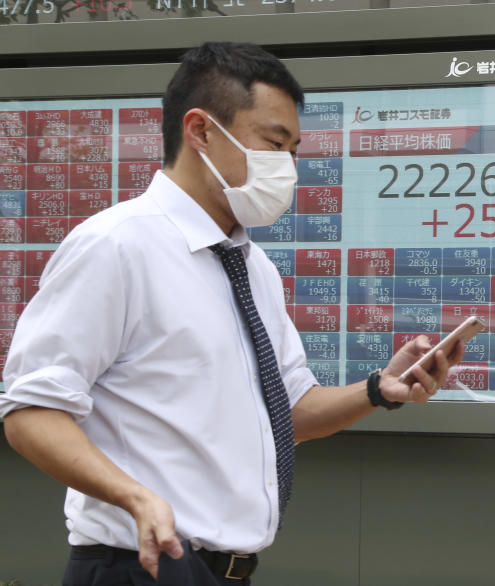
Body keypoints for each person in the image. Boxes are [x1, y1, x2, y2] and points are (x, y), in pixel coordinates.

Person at [0, 42, 464, 585]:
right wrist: (135, 498)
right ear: (200, 132)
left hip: (225, 572)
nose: (288, 167)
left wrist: (379, 389)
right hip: (141, 564)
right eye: (273, 143)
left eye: (294, 151)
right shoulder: (116, 246)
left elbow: (288, 412)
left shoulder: (253, 266)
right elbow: (31, 412)